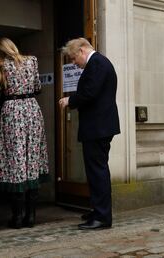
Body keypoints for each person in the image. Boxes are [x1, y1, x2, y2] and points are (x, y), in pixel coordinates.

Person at [59, 37, 120, 230]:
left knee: (97, 171)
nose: (73, 63)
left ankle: (102, 216)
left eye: (73, 58)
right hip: (98, 127)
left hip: (98, 127)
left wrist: (70, 101)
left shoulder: (97, 63)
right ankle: (98, 211)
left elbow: (90, 92)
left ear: (82, 50)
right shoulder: (98, 63)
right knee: (95, 171)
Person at [0, 38, 49, 229]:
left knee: (15, 160)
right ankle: (31, 216)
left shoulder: (0, 65)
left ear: (1, 51)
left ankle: (17, 217)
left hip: (11, 110)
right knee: (32, 158)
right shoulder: (32, 61)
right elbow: (38, 87)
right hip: (32, 109)